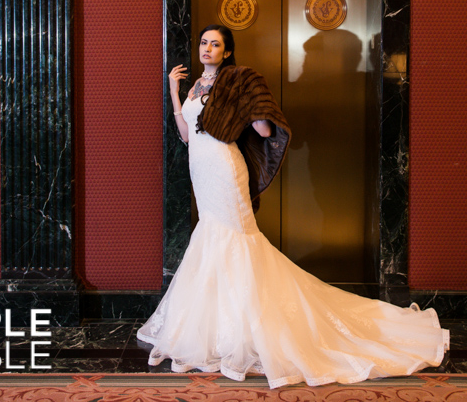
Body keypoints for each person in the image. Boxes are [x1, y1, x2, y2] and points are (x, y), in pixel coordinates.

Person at [137, 24, 449, 388]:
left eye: (216, 44)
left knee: (238, 241)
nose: (207, 49)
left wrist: (254, 110)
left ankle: (252, 331)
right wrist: (174, 93)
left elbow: (265, 131)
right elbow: (187, 135)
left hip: (224, 169)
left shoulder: (237, 80)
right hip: (200, 172)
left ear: (227, 51)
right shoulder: (193, 87)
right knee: (212, 238)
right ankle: (221, 329)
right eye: (204, 43)